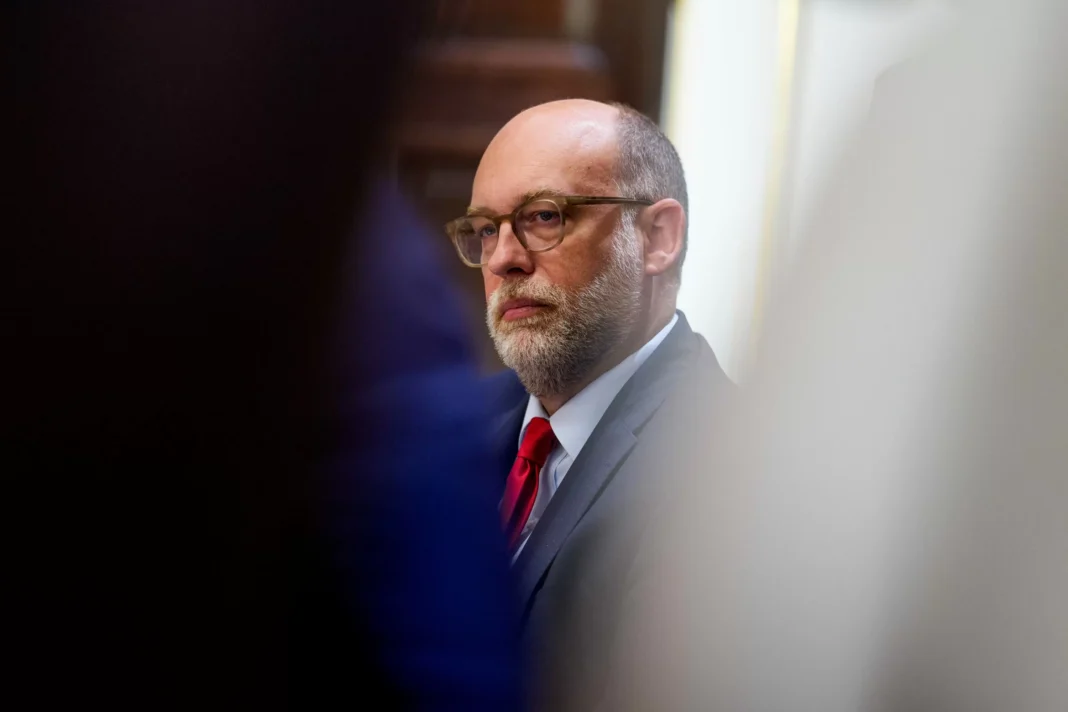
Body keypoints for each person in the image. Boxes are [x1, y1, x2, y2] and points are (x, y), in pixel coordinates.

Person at [445, 99, 733, 707]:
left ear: (657, 238)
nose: (504, 258)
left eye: (543, 217)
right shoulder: (453, 427)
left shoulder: (727, 468)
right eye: (486, 229)